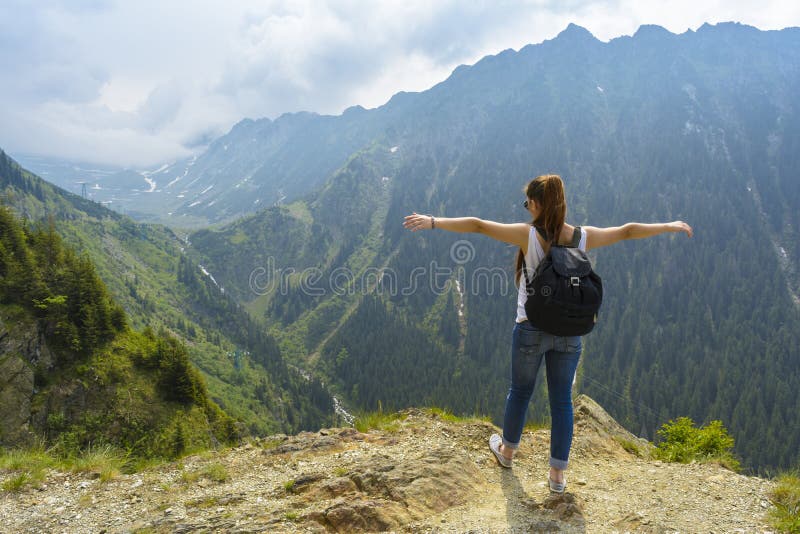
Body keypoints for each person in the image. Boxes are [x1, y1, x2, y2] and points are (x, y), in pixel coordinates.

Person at [403, 173, 692, 493]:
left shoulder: (528, 235)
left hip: (530, 328)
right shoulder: (581, 237)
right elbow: (626, 231)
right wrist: (668, 225)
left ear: (538, 204)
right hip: (570, 334)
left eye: (527, 202)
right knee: (562, 403)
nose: (526, 207)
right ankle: (557, 477)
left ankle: (508, 452)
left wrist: (433, 221)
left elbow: (478, 225)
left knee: (521, 392)